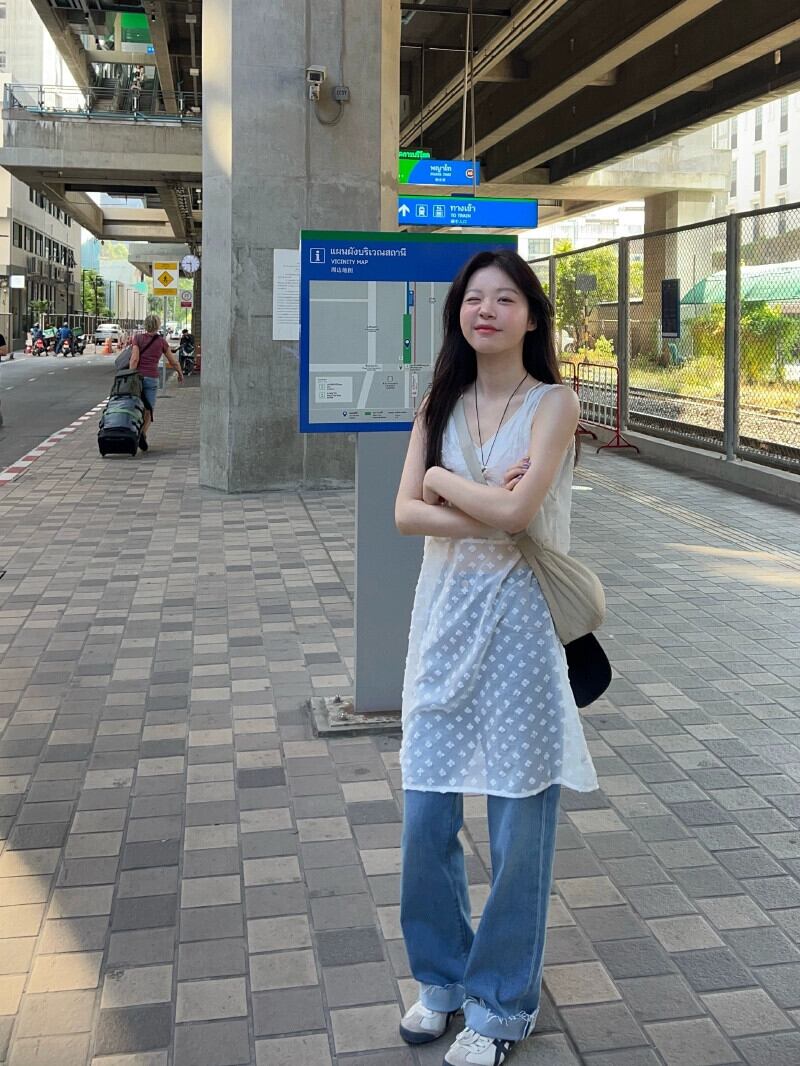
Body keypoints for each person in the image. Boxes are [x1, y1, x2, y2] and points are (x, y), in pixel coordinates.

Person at [394, 249, 598, 1066]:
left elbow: (518, 516)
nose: (486, 309)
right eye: (474, 298)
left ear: (533, 315)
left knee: (519, 834)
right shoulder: (437, 402)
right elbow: (405, 515)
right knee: (425, 820)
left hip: (521, 634)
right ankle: (442, 976)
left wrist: (445, 485)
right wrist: (480, 495)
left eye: (505, 298)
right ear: (459, 314)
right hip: (442, 626)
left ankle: (501, 1006)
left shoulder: (555, 402)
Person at [129, 313, 184, 452]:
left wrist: (130, 375)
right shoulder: (161, 342)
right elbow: (173, 361)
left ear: (145, 324)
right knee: (149, 408)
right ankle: (142, 433)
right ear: (158, 325)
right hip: (152, 379)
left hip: (137, 378)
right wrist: (180, 373)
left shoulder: (137, 338)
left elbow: (134, 359)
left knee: (134, 404)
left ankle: (131, 429)